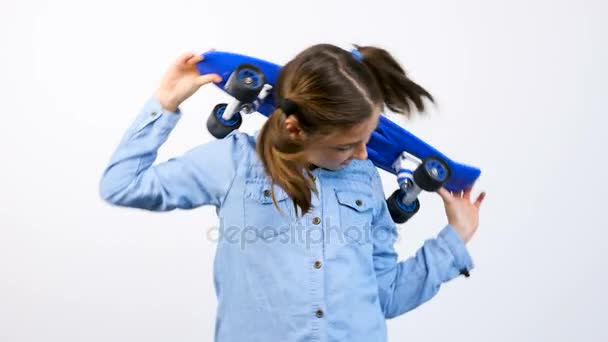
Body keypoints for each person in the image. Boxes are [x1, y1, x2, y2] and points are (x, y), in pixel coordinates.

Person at [99, 43, 486, 341]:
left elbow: (384, 295)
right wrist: (165, 103)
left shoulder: (363, 178)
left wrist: (454, 240)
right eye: (346, 145)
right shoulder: (235, 164)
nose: (365, 155)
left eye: (366, 140)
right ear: (295, 129)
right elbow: (123, 185)